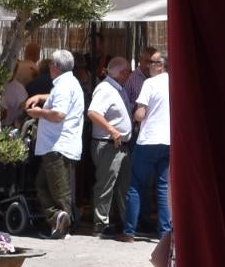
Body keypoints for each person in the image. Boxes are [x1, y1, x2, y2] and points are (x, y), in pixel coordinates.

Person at [24, 48, 84, 238]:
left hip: (58, 145)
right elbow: (59, 101)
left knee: (59, 191)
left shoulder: (64, 86)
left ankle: (63, 228)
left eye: (51, 64)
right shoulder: (67, 83)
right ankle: (58, 218)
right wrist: (42, 97)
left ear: (55, 67)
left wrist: (38, 113)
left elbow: (59, 114)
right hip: (57, 145)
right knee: (43, 185)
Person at [86, 54, 133, 239]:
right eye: (128, 71)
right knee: (106, 184)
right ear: (121, 72)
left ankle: (121, 221)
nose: (130, 74)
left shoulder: (118, 88)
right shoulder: (105, 89)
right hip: (109, 144)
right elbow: (93, 112)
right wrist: (112, 130)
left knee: (122, 185)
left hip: (120, 145)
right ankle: (100, 223)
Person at [128, 48, 173, 239]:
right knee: (163, 187)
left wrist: (133, 114)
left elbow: (140, 114)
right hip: (169, 140)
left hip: (149, 139)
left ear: (161, 65)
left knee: (136, 185)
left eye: (152, 62)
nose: (148, 66)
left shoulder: (150, 83)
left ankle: (129, 230)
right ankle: (164, 232)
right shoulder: (176, 82)